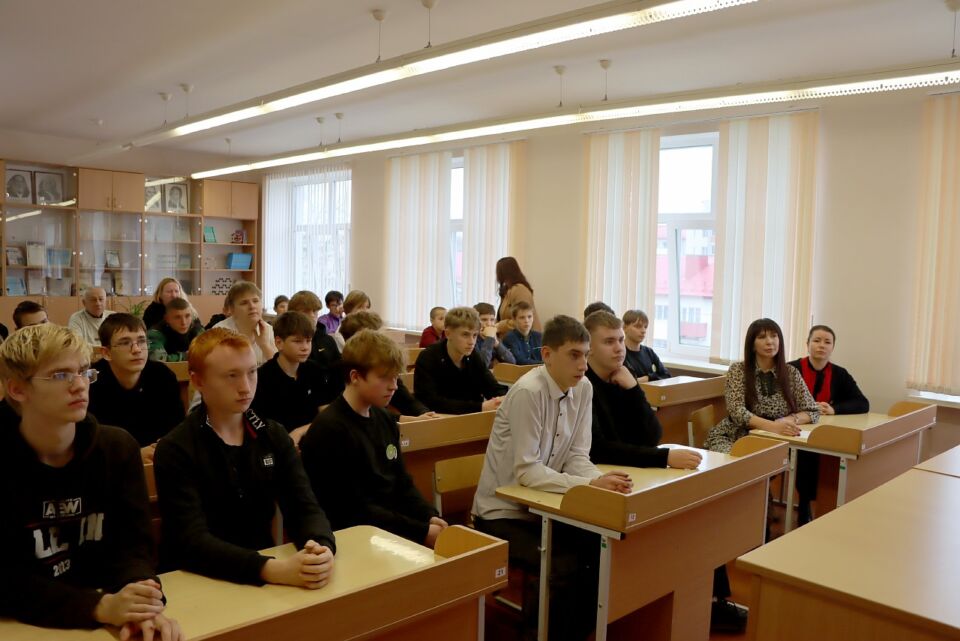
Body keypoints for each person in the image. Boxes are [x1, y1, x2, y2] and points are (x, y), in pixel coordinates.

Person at [0, 324, 182, 640]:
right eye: (60, 375)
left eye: (84, 372)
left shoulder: (117, 448)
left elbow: (134, 547)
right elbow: (6, 580)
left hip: (103, 609)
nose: (80, 386)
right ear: (17, 389)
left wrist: (140, 600)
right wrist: (99, 607)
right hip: (25, 624)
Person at [472, 315, 633, 640]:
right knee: (564, 563)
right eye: (574, 355)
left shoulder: (583, 388)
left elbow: (577, 457)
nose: (583, 365)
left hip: (542, 505)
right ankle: (539, 633)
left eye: (586, 355)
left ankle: (576, 630)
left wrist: (600, 484)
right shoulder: (528, 392)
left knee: (601, 547)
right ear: (547, 355)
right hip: (501, 512)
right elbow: (527, 471)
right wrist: (589, 484)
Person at [154, 329, 337, 587]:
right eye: (231, 376)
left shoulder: (272, 435)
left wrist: (321, 546)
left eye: (252, 372)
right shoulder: (176, 448)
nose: (245, 387)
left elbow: (304, 506)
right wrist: (270, 569)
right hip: (197, 579)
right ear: (198, 381)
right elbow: (191, 540)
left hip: (263, 569)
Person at [703, 318, 820, 633]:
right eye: (763, 337)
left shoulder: (789, 373)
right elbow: (737, 412)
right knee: (737, 473)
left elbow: (813, 410)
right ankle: (730, 539)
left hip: (772, 440)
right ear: (752, 343)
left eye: (774, 337)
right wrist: (774, 426)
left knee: (765, 472)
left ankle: (757, 540)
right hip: (736, 436)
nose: (770, 342)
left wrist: (791, 419)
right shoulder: (739, 370)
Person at [301, 330, 447, 546]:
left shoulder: (385, 418)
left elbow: (402, 482)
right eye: (384, 378)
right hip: (354, 536)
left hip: (390, 528)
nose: (394, 386)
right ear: (355, 377)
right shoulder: (329, 429)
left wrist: (428, 515)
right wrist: (421, 531)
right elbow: (352, 510)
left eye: (396, 377)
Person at [584, 310, 702, 469]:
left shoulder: (624, 377)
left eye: (621, 340)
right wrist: (664, 457)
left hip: (625, 468)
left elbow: (652, 436)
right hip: (597, 470)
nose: (619, 348)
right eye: (609, 342)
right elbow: (599, 450)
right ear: (589, 347)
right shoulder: (582, 384)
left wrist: (633, 389)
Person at [788, 325, 870, 524]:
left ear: (833, 347)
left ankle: (812, 506)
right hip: (793, 429)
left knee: (818, 452)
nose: (821, 346)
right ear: (807, 344)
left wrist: (835, 409)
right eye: (816, 341)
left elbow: (862, 403)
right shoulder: (791, 369)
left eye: (827, 342)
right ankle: (804, 506)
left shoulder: (840, 374)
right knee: (806, 454)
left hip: (821, 433)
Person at [88, 314, 185, 462]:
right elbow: (90, 444)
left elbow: (177, 428)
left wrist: (165, 447)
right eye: (125, 343)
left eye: (141, 341)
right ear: (106, 353)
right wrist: (133, 455)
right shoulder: (91, 383)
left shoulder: (163, 376)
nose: (137, 349)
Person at [251, 311, 334, 445]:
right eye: (297, 341)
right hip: (276, 446)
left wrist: (300, 431)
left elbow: (326, 416)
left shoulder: (315, 370)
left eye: (308, 341)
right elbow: (258, 425)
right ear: (279, 343)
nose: (305, 347)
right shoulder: (262, 377)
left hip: (313, 440)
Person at [338, 311, 437, 421]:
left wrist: (424, 413)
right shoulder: (340, 371)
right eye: (374, 338)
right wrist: (408, 419)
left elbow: (406, 400)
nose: (381, 343)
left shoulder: (386, 368)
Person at [414, 307, 507, 415]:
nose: (471, 342)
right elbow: (431, 402)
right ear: (448, 334)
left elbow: (491, 387)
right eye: (465, 335)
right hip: (440, 420)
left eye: (475, 335)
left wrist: (504, 398)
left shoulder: (473, 355)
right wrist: (480, 407)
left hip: (472, 418)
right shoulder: (428, 357)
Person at [214, 281, 277, 365]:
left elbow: (280, 369)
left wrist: (264, 345)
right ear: (232, 310)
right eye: (244, 303)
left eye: (255, 301)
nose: (252, 306)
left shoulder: (269, 330)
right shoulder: (219, 332)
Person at [287, 290, 342, 384]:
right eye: (305, 311)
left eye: (315, 311)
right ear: (293, 314)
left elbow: (338, 374)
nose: (312, 315)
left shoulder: (328, 340)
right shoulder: (287, 340)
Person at [495, 256, 542, 336]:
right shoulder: (507, 291)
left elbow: (524, 317)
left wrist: (500, 325)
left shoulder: (519, 290)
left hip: (525, 338)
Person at [147, 298, 205, 362]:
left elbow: (208, 352)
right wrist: (186, 356)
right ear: (167, 319)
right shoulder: (155, 334)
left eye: (187, 316)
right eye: (177, 317)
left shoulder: (197, 329)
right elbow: (158, 359)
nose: (183, 322)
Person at [622, 309, 671, 382]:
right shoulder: (619, 352)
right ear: (625, 327)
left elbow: (666, 375)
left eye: (645, 327)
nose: (643, 331)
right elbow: (625, 381)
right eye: (638, 326)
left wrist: (647, 378)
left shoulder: (649, 352)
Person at [474, 302, 515, 368]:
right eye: (484, 320)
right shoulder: (472, 340)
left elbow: (512, 362)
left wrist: (497, 344)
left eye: (492, 320)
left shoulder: (494, 337)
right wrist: (489, 339)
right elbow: (482, 366)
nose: (489, 324)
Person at [501, 300, 543, 365]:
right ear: (514, 320)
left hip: (540, 369)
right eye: (522, 318)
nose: (526, 321)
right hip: (520, 371)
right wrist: (544, 364)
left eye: (529, 317)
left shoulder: (539, 336)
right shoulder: (509, 338)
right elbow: (519, 361)